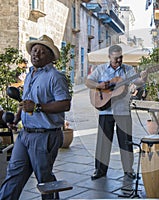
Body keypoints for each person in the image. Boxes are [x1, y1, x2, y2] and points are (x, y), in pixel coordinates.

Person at [0, 35, 71, 199]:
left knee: (44, 179)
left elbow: (65, 104)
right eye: (34, 50)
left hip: (45, 136)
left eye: (41, 52)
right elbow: (26, 101)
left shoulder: (55, 76)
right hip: (25, 134)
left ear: (51, 57)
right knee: (14, 174)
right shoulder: (31, 74)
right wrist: (17, 119)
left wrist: (38, 107)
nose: (36, 54)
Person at [85, 44, 148, 180]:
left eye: (120, 58)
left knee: (126, 141)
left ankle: (128, 170)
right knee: (103, 142)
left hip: (123, 111)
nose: (119, 61)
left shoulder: (128, 70)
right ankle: (99, 170)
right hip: (105, 111)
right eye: (115, 59)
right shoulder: (100, 69)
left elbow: (138, 82)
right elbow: (88, 82)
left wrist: (143, 78)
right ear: (109, 57)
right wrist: (98, 85)